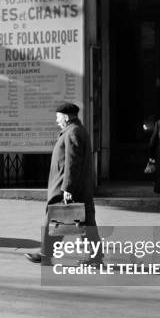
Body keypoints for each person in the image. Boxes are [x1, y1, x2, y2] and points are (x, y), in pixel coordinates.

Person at [24, 102, 99, 265]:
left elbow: (73, 163)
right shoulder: (75, 130)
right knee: (81, 224)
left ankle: (46, 254)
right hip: (75, 188)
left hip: (68, 188)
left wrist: (67, 188)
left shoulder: (73, 132)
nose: (57, 121)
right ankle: (94, 258)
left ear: (65, 117)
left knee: (56, 221)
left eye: (58, 118)